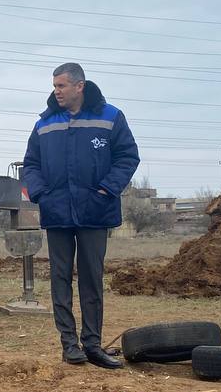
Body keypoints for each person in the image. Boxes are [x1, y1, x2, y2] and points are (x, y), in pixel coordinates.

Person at [22, 63, 140, 369]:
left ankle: (93, 345)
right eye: (54, 86)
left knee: (91, 280)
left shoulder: (110, 117)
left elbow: (128, 156)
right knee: (60, 279)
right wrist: (41, 194)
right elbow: (31, 164)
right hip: (57, 212)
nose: (56, 91)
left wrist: (105, 190)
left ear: (79, 86)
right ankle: (69, 345)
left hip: (95, 212)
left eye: (61, 86)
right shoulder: (44, 124)